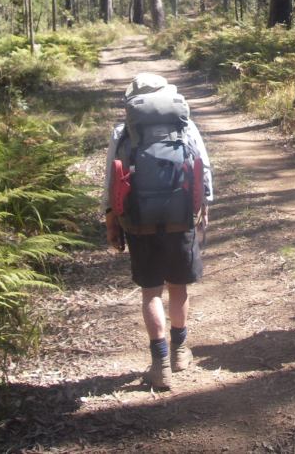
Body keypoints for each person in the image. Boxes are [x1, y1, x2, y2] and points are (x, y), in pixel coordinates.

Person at [103, 73, 213, 389]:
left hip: (139, 220)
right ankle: (180, 352)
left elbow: (111, 179)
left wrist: (111, 218)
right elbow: (203, 168)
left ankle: (160, 363)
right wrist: (204, 208)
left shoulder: (124, 131)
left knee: (151, 290)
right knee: (178, 284)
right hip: (182, 216)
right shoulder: (186, 126)